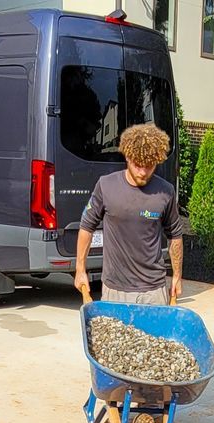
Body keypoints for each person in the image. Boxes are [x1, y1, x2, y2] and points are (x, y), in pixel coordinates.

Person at [72, 123, 186, 306]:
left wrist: (177, 276)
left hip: (154, 291)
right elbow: (87, 226)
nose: (142, 172)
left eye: (149, 166)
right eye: (138, 165)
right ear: (127, 156)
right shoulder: (106, 186)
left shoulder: (166, 192)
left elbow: (175, 235)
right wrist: (80, 269)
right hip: (115, 290)